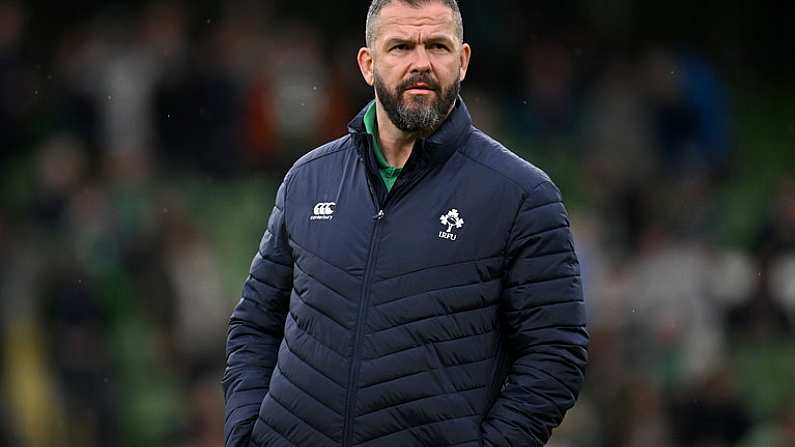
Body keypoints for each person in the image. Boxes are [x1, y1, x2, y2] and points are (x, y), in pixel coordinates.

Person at [222, 1, 588, 446]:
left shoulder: (522, 195)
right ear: (368, 64)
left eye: (437, 46)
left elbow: (555, 355)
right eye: (400, 47)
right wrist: (245, 434)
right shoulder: (307, 179)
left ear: (463, 61)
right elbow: (255, 323)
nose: (421, 63)